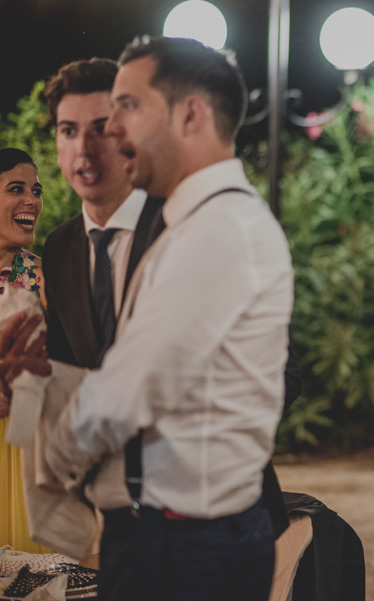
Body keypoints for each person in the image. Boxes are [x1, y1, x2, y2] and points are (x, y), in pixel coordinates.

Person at [38, 35, 293, 601]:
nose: (114, 131)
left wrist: (53, 462)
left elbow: (130, 388)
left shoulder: (216, 230)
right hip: (172, 532)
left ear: (191, 114)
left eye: (127, 106)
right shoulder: (201, 224)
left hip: (186, 540)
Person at [40, 56, 165, 598]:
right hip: (116, 520)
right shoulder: (61, 247)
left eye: (101, 130)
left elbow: (281, 376)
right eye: (69, 131)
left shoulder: (189, 228)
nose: (84, 150)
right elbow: (71, 377)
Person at [0, 148, 51, 554]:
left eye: (35, 190)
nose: (31, 200)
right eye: (16, 189)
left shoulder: (45, 278)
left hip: (26, 448)